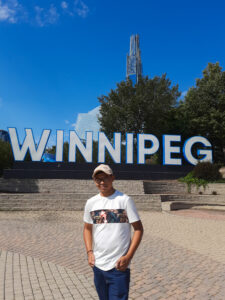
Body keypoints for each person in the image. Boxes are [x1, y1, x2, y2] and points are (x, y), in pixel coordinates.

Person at [83, 164, 144, 300]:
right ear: (94, 181)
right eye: (98, 179)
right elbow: (87, 228)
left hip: (118, 267)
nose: (102, 182)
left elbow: (139, 229)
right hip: (98, 266)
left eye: (105, 178)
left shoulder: (124, 200)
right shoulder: (91, 203)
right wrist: (89, 252)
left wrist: (128, 257)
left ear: (112, 178)